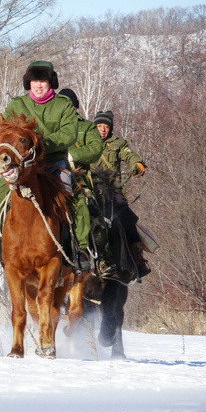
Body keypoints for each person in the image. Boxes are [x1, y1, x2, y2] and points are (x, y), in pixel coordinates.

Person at [0, 61, 92, 272]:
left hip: (53, 162)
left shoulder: (63, 105)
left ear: (50, 82)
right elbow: (3, 132)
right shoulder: (17, 105)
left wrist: (42, 144)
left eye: (43, 81)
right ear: (29, 83)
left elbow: (69, 134)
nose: (38, 85)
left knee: (76, 197)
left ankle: (80, 248)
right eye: (34, 81)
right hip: (22, 165)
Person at [58, 89, 116, 278]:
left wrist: (72, 155)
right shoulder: (50, 125)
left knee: (94, 211)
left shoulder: (87, 127)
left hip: (78, 177)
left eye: (69, 105)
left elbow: (95, 148)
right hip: (50, 175)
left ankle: (103, 260)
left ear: (76, 107)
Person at [92, 110, 151, 277]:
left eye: (106, 126)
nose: (102, 129)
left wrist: (137, 163)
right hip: (90, 189)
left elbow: (128, 155)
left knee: (128, 219)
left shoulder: (118, 143)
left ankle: (138, 257)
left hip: (112, 191)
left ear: (110, 128)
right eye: (99, 126)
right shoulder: (86, 141)